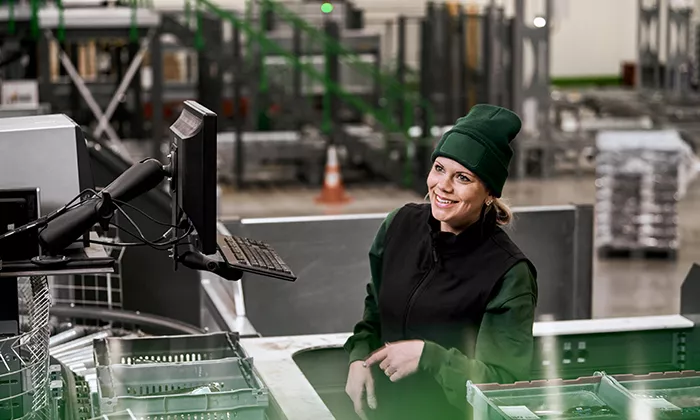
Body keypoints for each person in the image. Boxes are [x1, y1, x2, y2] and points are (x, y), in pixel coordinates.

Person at [343, 104, 538, 420]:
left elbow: (504, 386)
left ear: (489, 193)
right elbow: (375, 310)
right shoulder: (399, 225)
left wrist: (429, 357)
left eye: (462, 177)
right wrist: (360, 357)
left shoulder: (508, 272)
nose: (443, 186)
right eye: (438, 169)